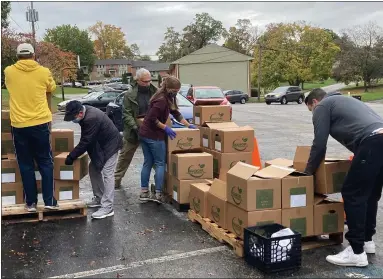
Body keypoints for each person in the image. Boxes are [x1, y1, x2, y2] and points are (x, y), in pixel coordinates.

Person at [304, 88, 383, 267]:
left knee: (352, 193)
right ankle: (366, 240)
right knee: (369, 194)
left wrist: (307, 173)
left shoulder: (323, 106)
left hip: (372, 142)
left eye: (311, 110)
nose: (313, 114)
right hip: (379, 139)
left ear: (314, 103)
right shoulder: (346, 101)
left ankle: (356, 251)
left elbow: (319, 144)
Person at [4, 43, 58, 212]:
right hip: (40, 123)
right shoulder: (44, 72)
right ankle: (49, 200)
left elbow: (8, 85)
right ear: (33, 55)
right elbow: (52, 87)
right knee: (45, 162)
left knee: (25, 164)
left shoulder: (9, 71)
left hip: (19, 125)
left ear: (18, 56)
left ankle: (31, 203)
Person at [138, 76, 197, 203]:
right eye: (175, 90)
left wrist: (188, 125)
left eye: (178, 90)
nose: (176, 92)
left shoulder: (168, 97)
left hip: (145, 133)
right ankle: (158, 193)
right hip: (153, 135)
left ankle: (144, 192)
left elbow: (175, 113)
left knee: (148, 162)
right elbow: (152, 118)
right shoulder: (161, 100)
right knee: (160, 163)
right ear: (169, 88)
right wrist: (165, 128)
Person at [64, 100, 122, 219]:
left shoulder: (91, 118)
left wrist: (71, 156)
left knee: (108, 173)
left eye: (72, 117)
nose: (72, 120)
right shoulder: (85, 112)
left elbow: (85, 141)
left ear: (80, 113)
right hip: (101, 145)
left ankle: (108, 207)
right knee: (94, 169)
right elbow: (87, 138)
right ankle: (99, 197)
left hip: (111, 145)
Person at [114, 68, 157, 189]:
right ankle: (116, 180)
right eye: (144, 81)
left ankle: (162, 182)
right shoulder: (130, 94)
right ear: (137, 80)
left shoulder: (155, 92)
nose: (147, 83)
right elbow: (126, 113)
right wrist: (135, 127)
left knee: (154, 157)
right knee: (125, 156)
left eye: (149, 81)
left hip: (150, 129)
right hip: (133, 131)